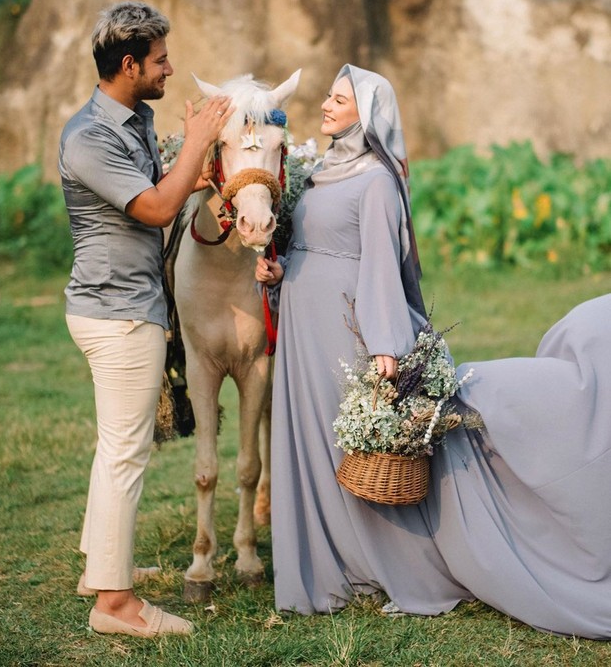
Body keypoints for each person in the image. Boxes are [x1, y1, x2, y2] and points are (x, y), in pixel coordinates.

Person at [256, 65, 611, 639]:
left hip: (348, 331)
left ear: (366, 115)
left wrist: (386, 348)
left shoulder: (375, 180)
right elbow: (307, 247)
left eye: (339, 99)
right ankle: (339, 568)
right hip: (303, 328)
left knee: (358, 453)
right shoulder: (318, 172)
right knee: (317, 447)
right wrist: (275, 272)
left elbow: (379, 267)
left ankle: (407, 571)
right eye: (327, 95)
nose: (324, 104)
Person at [59, 0, 233, 637]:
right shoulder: (88, 138)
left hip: (126, 306)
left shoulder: (132, 118)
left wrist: (216, 167)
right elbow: (157, 208)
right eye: (160, 59)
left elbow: (167, 184)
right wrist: (195, 142)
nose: (170, 67)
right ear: (129, 64)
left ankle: (95, 569)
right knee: (127, 455)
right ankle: (114, 604)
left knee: (115, 447)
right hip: (118, 313)